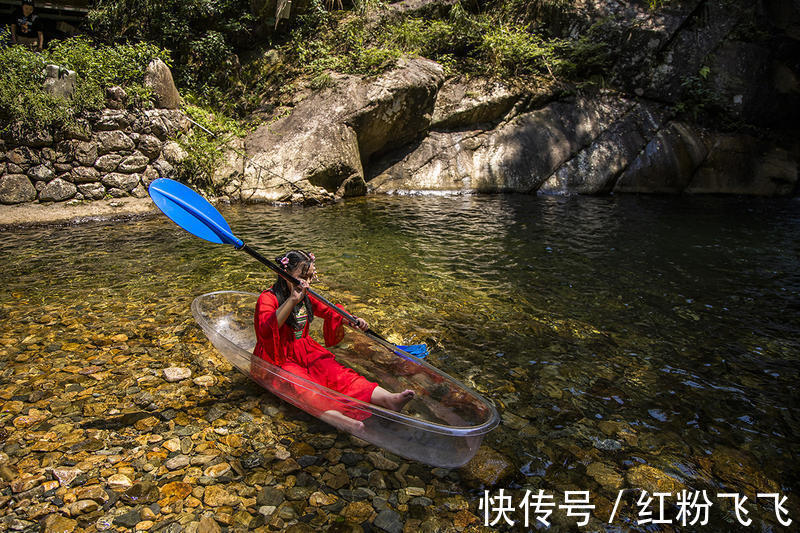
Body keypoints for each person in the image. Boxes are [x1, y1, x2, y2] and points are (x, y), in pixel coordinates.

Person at [253, 250, 414, 431]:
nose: (307, 283)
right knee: (302, 386)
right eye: (302, 277)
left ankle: (388, 399)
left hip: (305, 350)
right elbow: (266, 329)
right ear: (284, 274)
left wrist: (349, 319)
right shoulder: (268, 298)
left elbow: (329, 311)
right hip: (277, 356)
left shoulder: (306, 294)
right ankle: (341, 420)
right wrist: (291, 299)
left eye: (310, 277)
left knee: (338, 373)